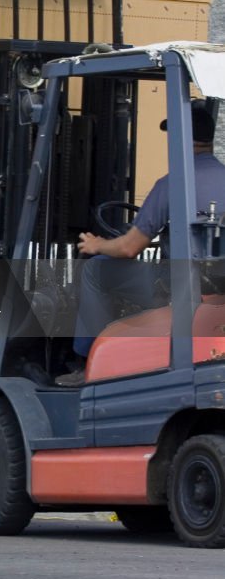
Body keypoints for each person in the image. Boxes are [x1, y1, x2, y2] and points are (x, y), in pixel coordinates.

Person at [55, 102, 225, 387]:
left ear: (179, 138)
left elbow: (128, 248)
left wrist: (98, 244)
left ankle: (86, 361)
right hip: (217, 287)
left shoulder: (172, 184)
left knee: (97, 270)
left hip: (179, 288)